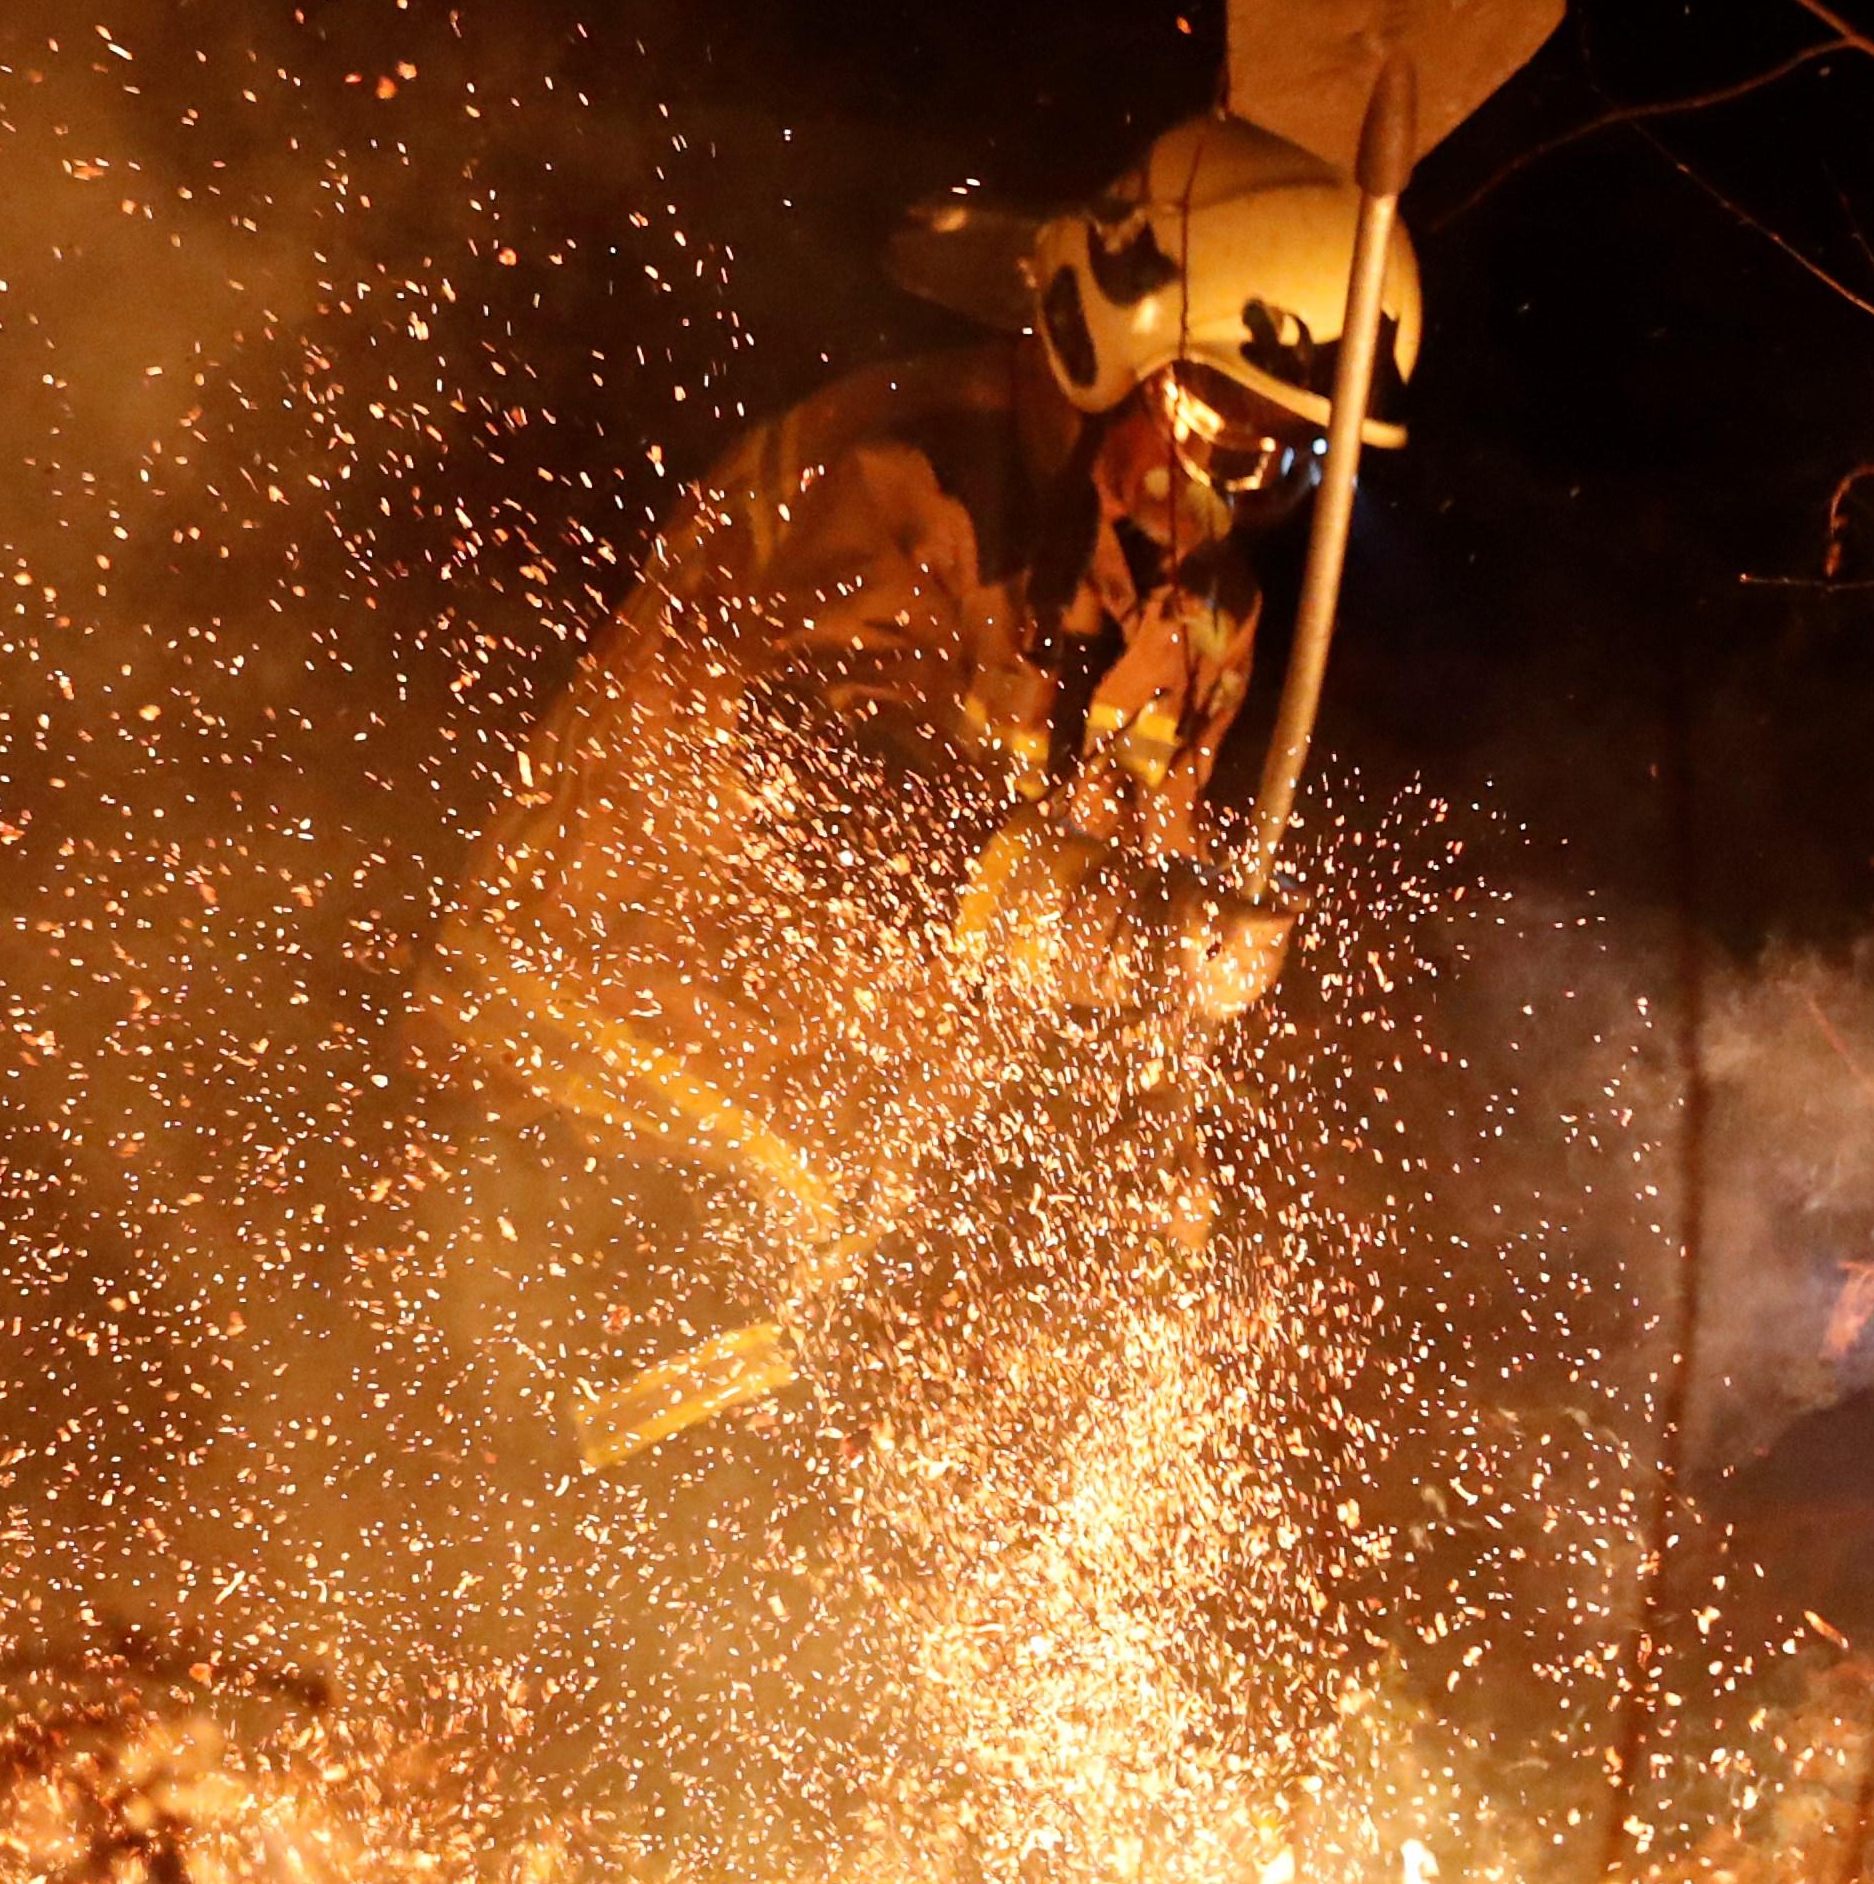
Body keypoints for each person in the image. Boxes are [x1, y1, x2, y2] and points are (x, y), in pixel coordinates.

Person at [403, 113, 1419, 1462]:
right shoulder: (900, 468)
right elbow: (817, 772)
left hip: (825, 1172)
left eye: (1276, 470)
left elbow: (1111, 982)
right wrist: (1101, 917)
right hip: (593, 1096)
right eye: (1212, 426)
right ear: (1101, 337)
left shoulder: (1200, 627)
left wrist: (1161, 1193)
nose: (1219, 496)